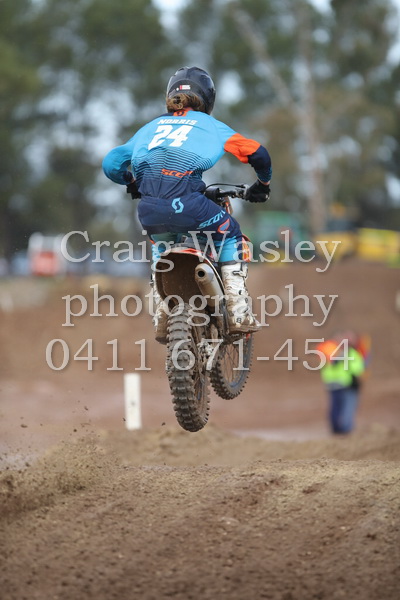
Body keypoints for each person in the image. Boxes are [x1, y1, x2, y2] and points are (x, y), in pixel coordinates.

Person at [102, 66, 272, 342]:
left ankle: (162, 313)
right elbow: (258, 154)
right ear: (207, 99)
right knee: (231, 232)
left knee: (161, 246)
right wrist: (262, 184)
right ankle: (238, 309)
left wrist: (131, 183)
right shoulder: (211, 126)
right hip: (190, 207)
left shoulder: (151, 128)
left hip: (149, 212)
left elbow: (111, 163)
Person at [318, 332, 366, 435]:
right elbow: (357, 369)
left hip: (335, 384)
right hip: (346, 384)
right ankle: (344, 430)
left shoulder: (329, 350)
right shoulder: (345, 352)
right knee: (346, 408)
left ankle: (339, 430)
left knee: (337, 408)